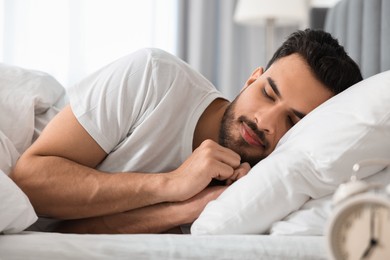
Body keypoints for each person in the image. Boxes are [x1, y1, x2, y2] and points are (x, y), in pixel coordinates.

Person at [10, 29, 362, 234]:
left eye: (293, 122)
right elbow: (29, 182)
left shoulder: (253, 190)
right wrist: (171, 183)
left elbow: (64, 231)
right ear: (252, 78)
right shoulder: (153, 76)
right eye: (267, 93)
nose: (266, 121)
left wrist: (184, 208)